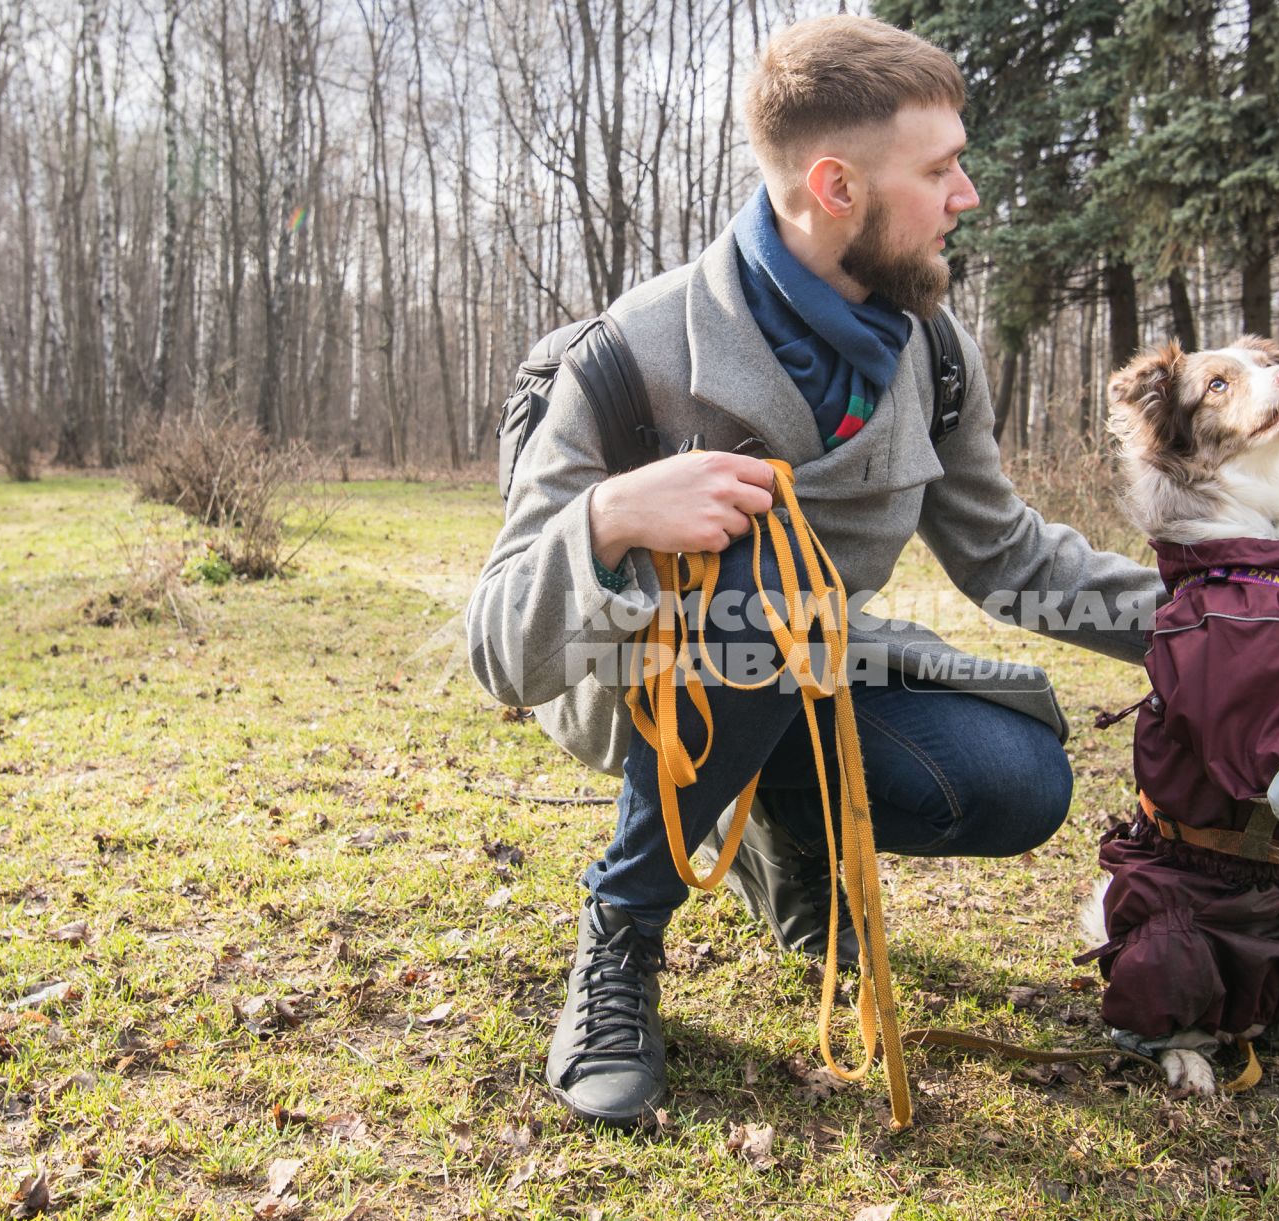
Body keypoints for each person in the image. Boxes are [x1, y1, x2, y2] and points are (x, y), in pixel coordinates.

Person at [466, 14, 1162, 1128]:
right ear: (836, 185)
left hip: (810, 670)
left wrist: (1204, 625)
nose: (966, 194)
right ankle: (622, 928)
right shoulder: (625, 356)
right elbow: (500, 649)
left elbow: (1006, 557)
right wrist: (609, 516)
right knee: (764, 597)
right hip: (641, 686)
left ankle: (782, 832)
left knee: (1023, 777)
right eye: (939, 170)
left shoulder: (931, 350)